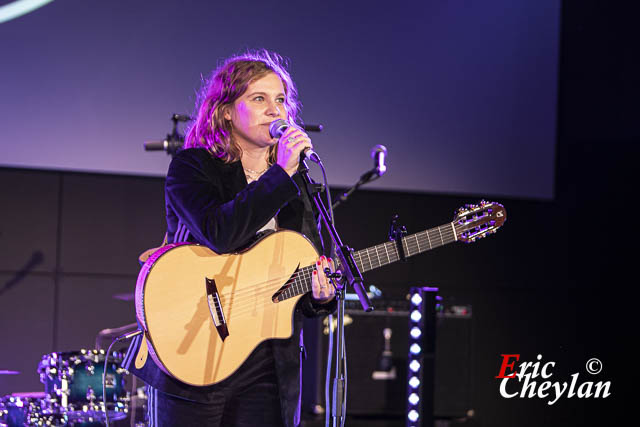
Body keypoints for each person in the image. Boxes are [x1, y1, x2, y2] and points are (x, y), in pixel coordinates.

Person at [122, 50, 336, 427]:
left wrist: (321, 297)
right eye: (259, 99)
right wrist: (280, 176)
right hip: (195, 349)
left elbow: (302, 269)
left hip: (267, 361)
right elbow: (221, 233)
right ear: (225, 111)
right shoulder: (193, 167)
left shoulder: (298, 182)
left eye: (281, 100)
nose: (275, 110)